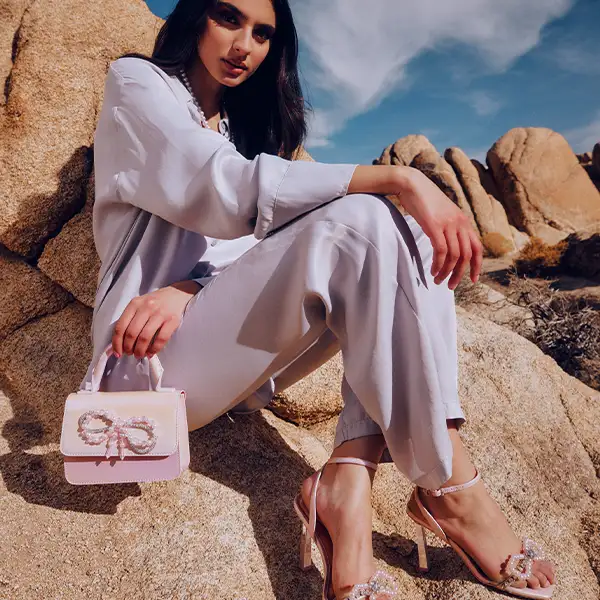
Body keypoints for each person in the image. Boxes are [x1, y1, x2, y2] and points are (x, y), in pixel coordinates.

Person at [82, 0, 557, 598]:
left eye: (263, 34)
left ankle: (345, 486)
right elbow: (217, 188)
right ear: (195, 16)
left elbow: (249, 253)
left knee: (400, 233)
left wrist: (189, 288)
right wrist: (403, 178)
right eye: (229, 18)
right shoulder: (136, 84)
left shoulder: (238, 129)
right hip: (147, 365)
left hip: (222, 346)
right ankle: (451, 488)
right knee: (367, 216)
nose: (245, 45)